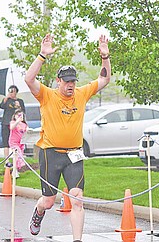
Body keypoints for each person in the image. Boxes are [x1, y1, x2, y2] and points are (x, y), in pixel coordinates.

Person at [25, 34, 111, 241]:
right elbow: (29, 79)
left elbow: (105, 79)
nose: (71, 85)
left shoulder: (81, 94)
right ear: (58, 81)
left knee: (77, 199)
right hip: (50, 153)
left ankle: (77, 239)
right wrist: (42, 56)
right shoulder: (47, 95)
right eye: (67, 82)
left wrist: (105, 56)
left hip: (74, 154)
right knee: (48, 200)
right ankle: (38, 214)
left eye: (73, 81)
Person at [0, 85, 25, 159]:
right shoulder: (7, 100)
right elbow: (1, 106)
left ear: (16, 92)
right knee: (6, 142)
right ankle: (6, 160)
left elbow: (23, 112)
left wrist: (19, 106)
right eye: (10, 91)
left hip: (16, 124)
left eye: (13, 91)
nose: (11, 93)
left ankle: (17, 159)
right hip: (6, 123)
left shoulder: (20, 101)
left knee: (16, 142)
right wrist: (6, 98)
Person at [7, 108, 28, 178]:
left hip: (21, 143)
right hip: (14, 142)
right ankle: (15, 170)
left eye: (21, 115)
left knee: (19, 155)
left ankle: (15, 170)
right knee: (16, 155)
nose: (19, 117)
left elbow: (26, 131)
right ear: (15, 116)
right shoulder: (13, 122)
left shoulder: (24, 125)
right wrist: (17, 121)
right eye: (18, 115)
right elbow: (11, 128)